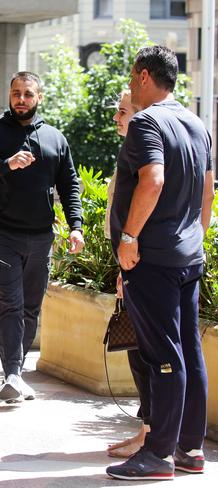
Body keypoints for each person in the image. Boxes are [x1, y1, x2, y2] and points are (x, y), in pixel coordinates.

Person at [107, 45, 214, 480]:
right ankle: (190, 449)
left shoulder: (147, 121)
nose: (132, 84)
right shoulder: (196, 123)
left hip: (153, 259)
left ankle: (158, 455)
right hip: (188, 257)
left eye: (134, 76)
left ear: (145, 76)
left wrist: (130, 237)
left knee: (163, 357)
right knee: (188, 350)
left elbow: (152, 178)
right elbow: (207, 193)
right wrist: (194, 238)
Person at [0, 71, 84, 403]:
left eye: (28, 94)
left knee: (30, 308)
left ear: (38, 97)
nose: (21, 99)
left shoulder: (55, 138)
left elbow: (69, 185)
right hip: (4, 234)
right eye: (16, 93)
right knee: (9, 306)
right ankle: (12, 374)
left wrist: (76, 226)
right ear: (10, 95)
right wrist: (5, 165)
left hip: (42, 237)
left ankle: (15, 369)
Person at [104, 90, 151, 459]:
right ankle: (149, 429)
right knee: (140, 352)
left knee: (146, 353)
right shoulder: (133, 152)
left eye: (122, 111)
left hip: (142, 264)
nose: (117, 118)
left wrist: (129, 252)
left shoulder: (147, 155)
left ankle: (152, 433)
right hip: (130, 263)